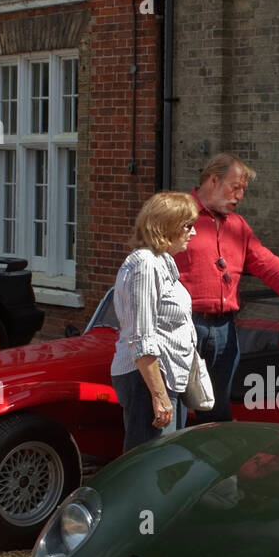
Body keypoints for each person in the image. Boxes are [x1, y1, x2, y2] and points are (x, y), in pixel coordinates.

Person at [174, 153, 279, 421]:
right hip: (183, 323)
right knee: (175, 407)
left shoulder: (237, 226)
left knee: (217, 408)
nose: (240, 196)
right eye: (234, 187)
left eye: (243, 190)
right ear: (213, 180)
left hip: (224, 327)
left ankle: (216, 461)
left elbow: (266, 263)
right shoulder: (178, 214)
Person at [111, 192, 199, 452]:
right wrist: (159, 396)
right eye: (187, 226)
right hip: (147, 380)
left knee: (167, 462)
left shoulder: (163, 261)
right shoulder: (145, 265)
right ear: (166, 225)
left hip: (166, 377)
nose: (192, 233)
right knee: (148, 467)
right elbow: (142, 337)